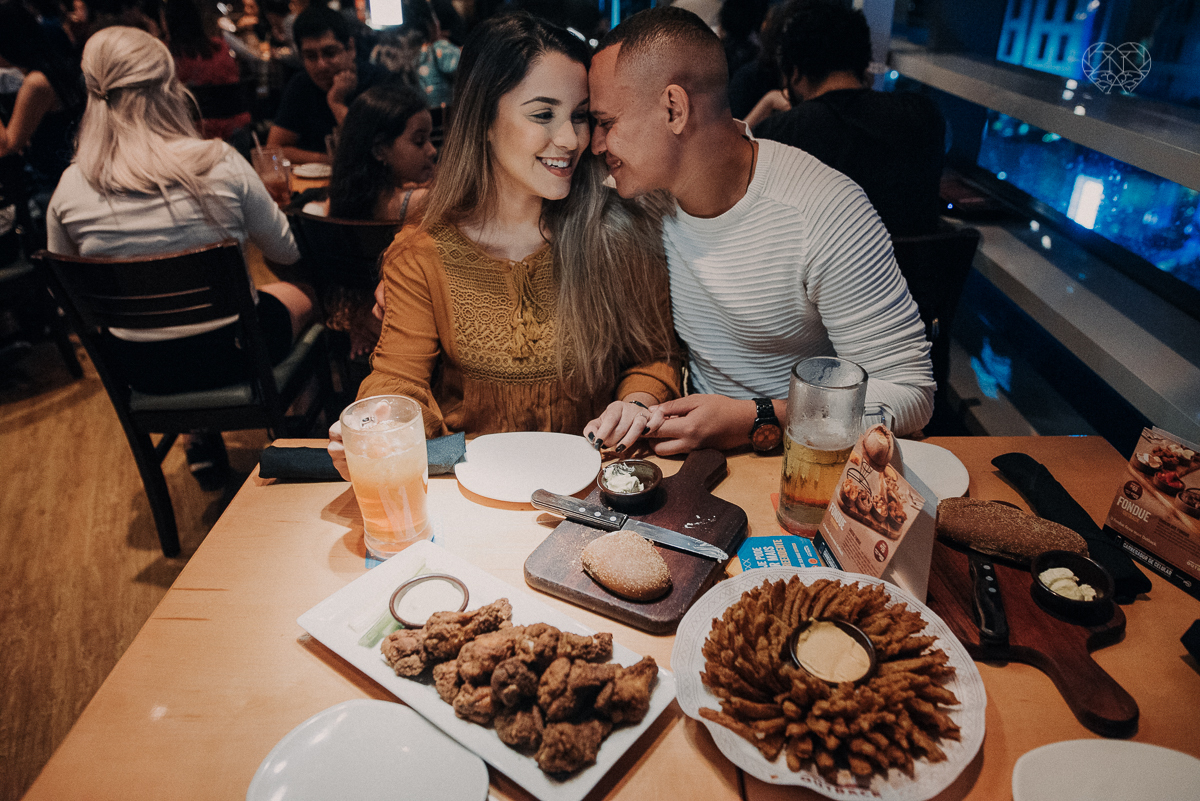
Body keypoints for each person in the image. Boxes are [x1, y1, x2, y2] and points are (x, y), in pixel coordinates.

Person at [328, 11, 680, 475]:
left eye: (578, 116)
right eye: (542, 114)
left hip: (592, 489)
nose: (570, 139)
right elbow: (399, 378)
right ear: (484, 120)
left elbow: (655, 358)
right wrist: (378, 422)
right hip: (469, 493)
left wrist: (636, 403)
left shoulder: (616, 232)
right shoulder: (422, 253)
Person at [585, 6, 934, 455]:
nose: (595, 144)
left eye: (607, 123)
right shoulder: (641, 196)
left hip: (810, 459)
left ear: (674, 109)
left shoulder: (822, 208)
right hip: (693, 457)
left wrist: (756, 418)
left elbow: (910, 394)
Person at [47, 25, 315, 488]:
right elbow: (286, 249)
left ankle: (199, 438)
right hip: (237, 355)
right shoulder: (218, 161)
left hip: (142, 368)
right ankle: (301, 429)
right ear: (171, 88)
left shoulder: (70, 187)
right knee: (306, 288)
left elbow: (69, 290)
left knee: (170, 327)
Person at [750, 0, 945, 239]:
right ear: (863, 64)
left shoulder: (780, 133)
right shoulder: (924, 117)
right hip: (913, 275)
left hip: (819, 276)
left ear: (796, 72)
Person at [267, 3, 386, 164]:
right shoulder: (301, 85)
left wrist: (336, 103)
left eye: (329, 53)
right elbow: (274, 150)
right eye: (310, 56)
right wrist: (329, 160)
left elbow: (369, 153)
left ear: (350, 48)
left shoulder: (379, 83)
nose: (321, 65)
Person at [0, 0, 86, 204]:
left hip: (53, 183)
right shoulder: (51, 69)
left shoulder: (36, 83)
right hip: (68, 172)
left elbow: (6, 147)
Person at [165, 0, 252, 141]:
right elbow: (249, 56)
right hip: (237, 128)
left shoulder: (170, 57)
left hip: (197, 134)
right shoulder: (220, 46)